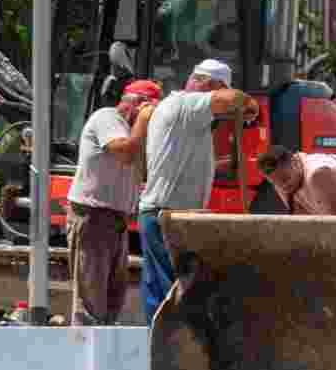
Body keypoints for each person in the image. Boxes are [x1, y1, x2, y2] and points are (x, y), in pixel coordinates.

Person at [137, 59, 258, 325]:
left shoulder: (189, 120)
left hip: (171, 213)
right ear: (210, 85)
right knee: (167, 295)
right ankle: (162, 354)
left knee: (176, 293)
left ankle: (173, 351)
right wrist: (249, 106)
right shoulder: (186, 104)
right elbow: (234, 98)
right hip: (164, 215)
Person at [65, 79, 163, 326]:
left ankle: (104, 353)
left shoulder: (135, 132)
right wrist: (144, 120)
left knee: (112, 299)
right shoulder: (106, 118)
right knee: (91, 300)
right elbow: (126, 153)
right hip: (94, 216)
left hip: (115, 219)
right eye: (149, 113)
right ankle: (85, 356)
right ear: (136, 105)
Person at [257, 145, 336, 215]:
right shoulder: (282, 182)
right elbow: (302, 223)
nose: (283, 186)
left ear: (295, 161)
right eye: (275, 183)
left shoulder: (318, 174)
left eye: (285, 179)